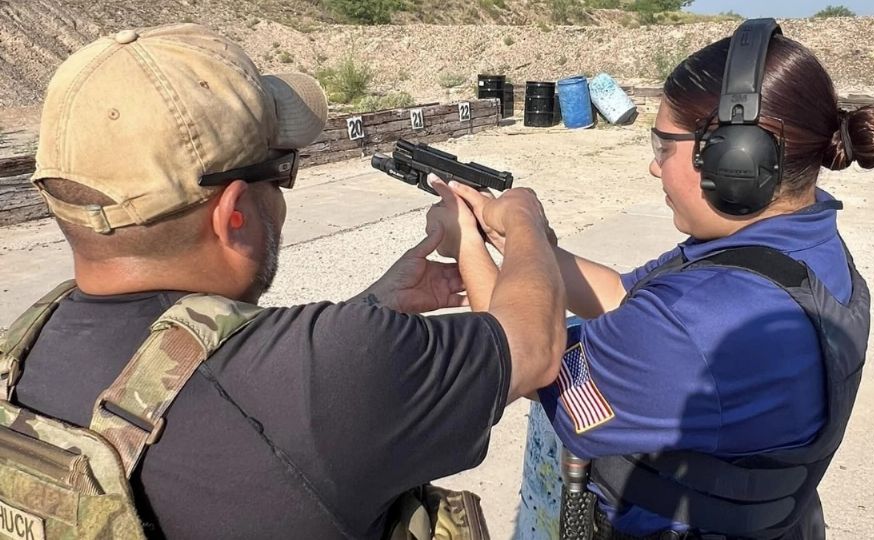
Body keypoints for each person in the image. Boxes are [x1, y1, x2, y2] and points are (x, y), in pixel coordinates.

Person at [0, 23, 566, 539]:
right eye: (282, 172)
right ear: (235, 213)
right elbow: (533, 345)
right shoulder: (333, 368)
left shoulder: (20, 358)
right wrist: (519, 224)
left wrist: (372, 307)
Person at [429, 19, 874, 540]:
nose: (655, 169)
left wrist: (473, 240)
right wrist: (520, 236)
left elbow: (522, 359)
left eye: (663, 147)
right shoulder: (791, 248)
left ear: (735, 162)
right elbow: (618, 294)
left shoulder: (699, 319)